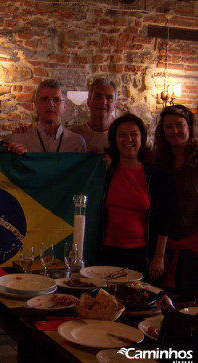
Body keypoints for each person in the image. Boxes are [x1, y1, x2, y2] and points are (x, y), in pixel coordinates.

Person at [149, 105, 198, 302]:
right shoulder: (158, 161)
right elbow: (162, 210)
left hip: (192, 245)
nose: (174, 131)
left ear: (189, 127)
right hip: (163, 244)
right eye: (168, 126)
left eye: (179, 125)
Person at [99, 114, 152, 277]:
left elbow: (163, 216)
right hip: (108, 250)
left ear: (142, 138)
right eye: (122, 134)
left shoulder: (152, 173)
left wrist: (159, 256)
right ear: (114, 139)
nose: (128, 139)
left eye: (133, 134)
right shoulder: (106, 170)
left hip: (141, 252)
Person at [6, 79, 86, 152]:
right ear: (36, 105)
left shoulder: (77, 143)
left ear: (65, 106)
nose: (50, 104)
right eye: (45, 99)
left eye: (56, 100)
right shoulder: (19, 139)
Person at [69, 77, 118, 153]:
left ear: (115, 105)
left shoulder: (121, 137)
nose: (103, 102)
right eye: (98, 97)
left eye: (109, 98)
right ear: (88, 102)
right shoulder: (72, 135)